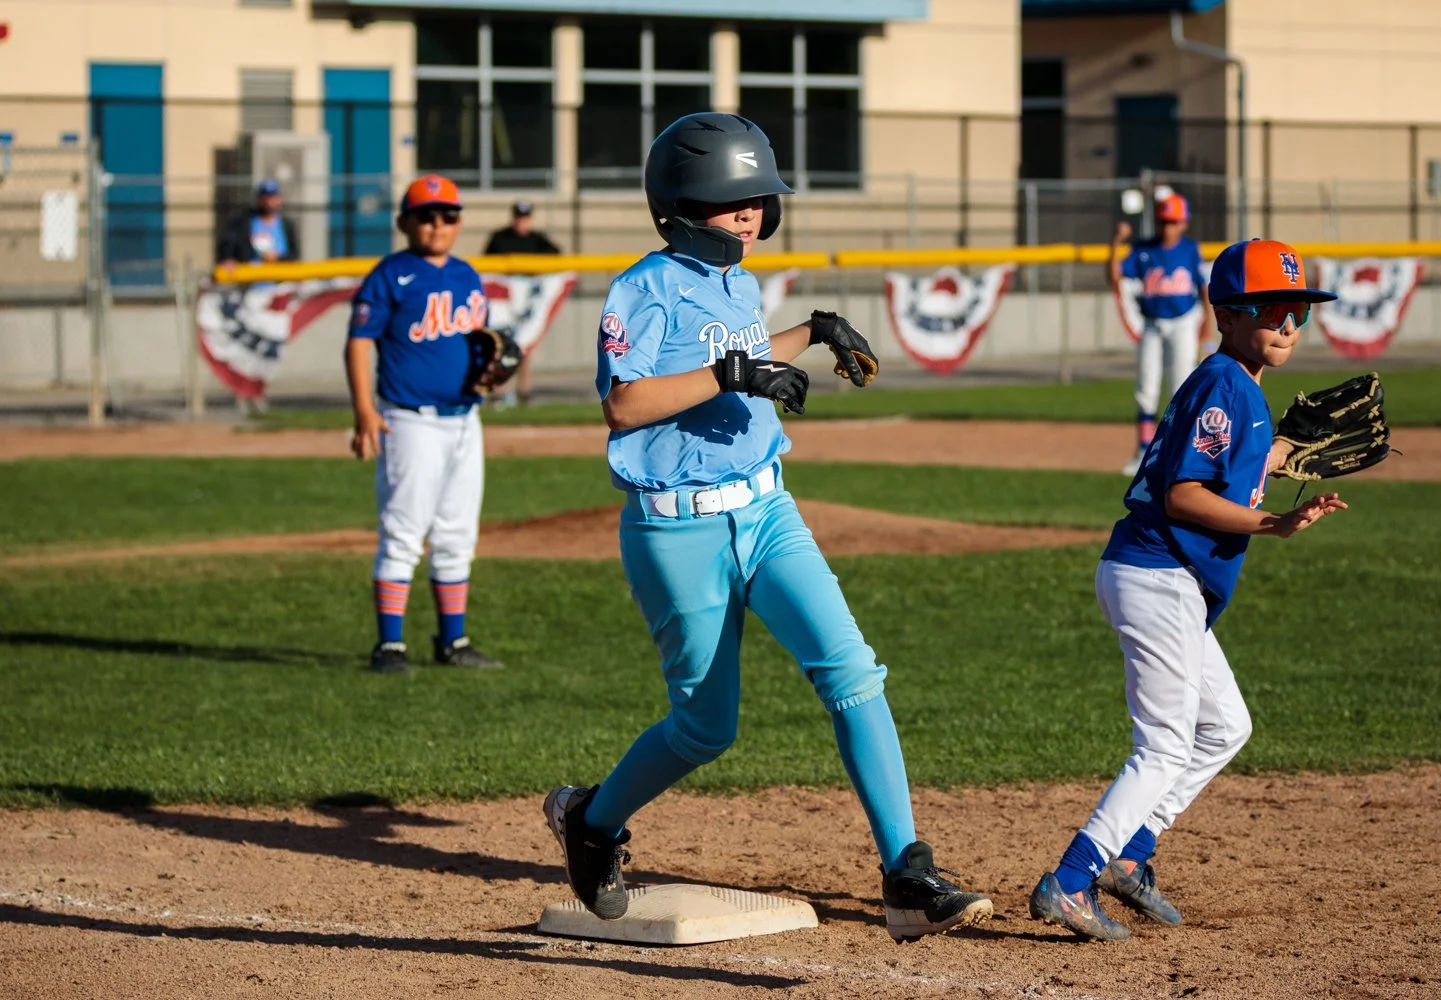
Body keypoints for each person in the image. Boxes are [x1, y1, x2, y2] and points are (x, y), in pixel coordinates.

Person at [541, 112, 994, 943]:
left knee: (853, 671)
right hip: (676, 532)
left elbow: (741, 355)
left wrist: (812, 332)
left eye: (758, 197)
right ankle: (592, 823)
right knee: (705, 729)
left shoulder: (738, 282)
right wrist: (727, 373)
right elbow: (626, 404)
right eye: (731, 199)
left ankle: (905, 872)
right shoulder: (642, 288)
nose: (749, 212)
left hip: (765, 508)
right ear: (680, 202)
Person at [1027, 239, 1346, 941]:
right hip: (1157, 573)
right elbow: (1182, 496)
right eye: (1271, 310)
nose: (1289, 324)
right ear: (1227, 314)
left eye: (1298, 310)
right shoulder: (1226, 383)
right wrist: (1276, 522)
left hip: (1169, 579)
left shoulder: (1238, 384)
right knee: (1166, 744)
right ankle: (1072, 878)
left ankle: (1130, 856)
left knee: (1226, 725)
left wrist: (1290, 449)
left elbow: (1236, 458)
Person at [343, 174, 501, 675]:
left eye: (448, 215)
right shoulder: (390, 275)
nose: (437, 224)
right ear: (404, 222)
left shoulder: (467, 276)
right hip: (409, 421)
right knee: (405, 530)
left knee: (457, 532)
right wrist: (364, 409)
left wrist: (489, 373)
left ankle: (452, 640)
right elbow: (359, 341)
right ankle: (389, 646)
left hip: (463, 419)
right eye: (426, 215)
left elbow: (477, 344)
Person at [1109, 194, 1213, 477]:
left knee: (1181, 388)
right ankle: (1143, 450)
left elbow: (1204, 288)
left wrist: (1207, 325)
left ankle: (1180, 452)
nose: (1167, 227)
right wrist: (1116, 241)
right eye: (1163, 221)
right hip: (1153, 325)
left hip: (1183, 323)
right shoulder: (1144, 249)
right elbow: (1115, 275)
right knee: (1146, 389)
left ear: (1183, 223)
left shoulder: (1190, 249)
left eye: (1173, 222)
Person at [483, 201, 562, 408]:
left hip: (527, 301)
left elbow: (558, 257)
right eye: (519, 217)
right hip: (504, 303)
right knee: (499, 347)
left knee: (524, 347)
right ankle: (498, 392)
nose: (522, 222)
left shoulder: (538, 240)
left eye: (525, 218)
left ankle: (524, 392)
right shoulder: (500, 238)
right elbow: (487, 269)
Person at [217, 178, 301, 268]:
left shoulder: (287, 224)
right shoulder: (243, 222)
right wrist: (228, 259)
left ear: (279, 199)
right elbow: (228, 248)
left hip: (280, 278)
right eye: (265, 197)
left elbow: (294, 254)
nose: (268, 202)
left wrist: (277, 257)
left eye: (272, 197)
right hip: (250, 277)